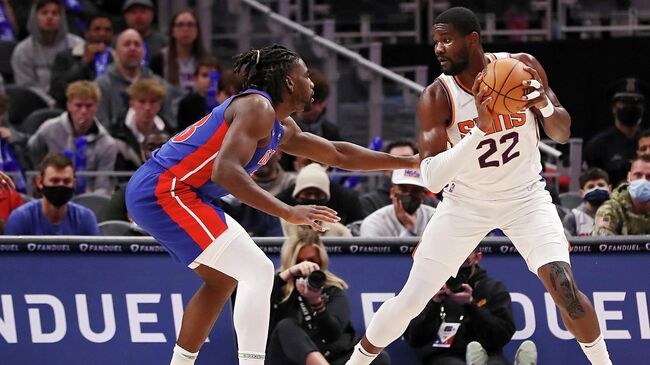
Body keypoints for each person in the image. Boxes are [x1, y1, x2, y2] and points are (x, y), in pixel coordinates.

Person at [346, 8, 612, 365]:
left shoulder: (521, 66)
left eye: (447, 40)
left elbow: (561, 134)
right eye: (436, 42)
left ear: (472, 39)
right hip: (465, 204)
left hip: (526, 198)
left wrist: (543, 105)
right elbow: (432, 178)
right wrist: (478, 130)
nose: (439, 49)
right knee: (412, 298)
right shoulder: (437, 97)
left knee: (565, 288)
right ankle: (356, 362)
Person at [124, 44, 418, 365]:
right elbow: (226, 172)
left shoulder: (281, 125)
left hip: (176, 192)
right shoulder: (257, 108)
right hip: (166, 189)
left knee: (223, 280)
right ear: (289, 82)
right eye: (306, 76)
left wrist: (407, 162)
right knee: (259, 270)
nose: (312, 84)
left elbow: (336, 153)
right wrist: (288, 211)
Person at [267, 228, 390, 365]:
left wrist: (317, 303)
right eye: (299, 262)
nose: (306, 267)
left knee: (379, 359)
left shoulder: (332, 290)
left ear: (321, 262)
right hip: (288, 360)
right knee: (286, 325)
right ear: (290, 261)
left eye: (312, 261)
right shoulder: (276, 289)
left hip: (331, 357)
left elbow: (332, 335)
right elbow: (254, 308)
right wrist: (288, 273)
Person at [403, 249, 518, 365]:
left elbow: (503, 335)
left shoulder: (493, 288)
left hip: (487, 352)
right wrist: (434, 303)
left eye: (463, 260)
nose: (457, 268)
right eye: (451, 261)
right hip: (443, 355)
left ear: (477, 258)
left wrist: (471, 305)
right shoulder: (428, 288)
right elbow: (414, 338)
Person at [27, 80, 118, 194]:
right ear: (69, 105)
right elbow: (32, 155)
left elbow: (102, 187)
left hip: (87, 200)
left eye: (89, 106)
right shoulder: (49, 129)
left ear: (96, 107)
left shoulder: (107, 143)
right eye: (78, 105)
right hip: (50, 193)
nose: (83, 111)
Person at [95, 28, 173, 130]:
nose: (132, 48)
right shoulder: (102, 85)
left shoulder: (159, 84)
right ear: (115, 52)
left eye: (137, 44)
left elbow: (170, 123)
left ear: (144, 51)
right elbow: (101, 125)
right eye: (127, 44)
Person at [4, 153, 99, 235]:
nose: (61, 185)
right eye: (55, 181)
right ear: (40, 182)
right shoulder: (21, 218)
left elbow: (94, 256)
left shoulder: (85, 218)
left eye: (66, 181)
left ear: (74, 184)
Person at [584, 77, 648, 186]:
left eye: (636, 102)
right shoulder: (598, 146)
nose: (630, 107)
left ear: (643, 107)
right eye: (625, 102)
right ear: (614, 107)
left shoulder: (647, 143)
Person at [10, 0, 83, 93]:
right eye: (44, 13)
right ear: (34, 17)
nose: (49, 17)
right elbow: (25, 88)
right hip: (36, 103)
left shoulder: (77, 45)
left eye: (55, 13)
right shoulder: (22, 51)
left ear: (62, 18)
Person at [103, 130, 170, 222]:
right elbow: (111, 230)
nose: (157, 152)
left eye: (163, 147)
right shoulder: (124, 193)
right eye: (151, 148)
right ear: (142, 154)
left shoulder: (186, 189)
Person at [50, 13, 114, 107]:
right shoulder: (65, 56)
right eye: (97, 29)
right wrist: (83, 63)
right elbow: (57, 92)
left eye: (107, 30)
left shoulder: (118, 59)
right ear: (87, 33)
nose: (102, 33)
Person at [111, 78, 170, 171]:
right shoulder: (117, 134)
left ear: (160, 104)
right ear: (131, 104)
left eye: (153, 101)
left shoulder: (170, 133)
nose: (147, 107)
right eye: (142, 101)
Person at [281, 163, 352, 238]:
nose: (312, 198)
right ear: (297, 196)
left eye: (318, 194)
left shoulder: (340, 232)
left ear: (325, 198)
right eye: (307, 193)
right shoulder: (282, 227)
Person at [360, 169, 435, 237]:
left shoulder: (434, 218)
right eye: (403, 188)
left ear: (423, 196)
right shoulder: (374, 222)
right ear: (392, 192)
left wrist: (409, 227)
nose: (408, 194)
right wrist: (409, 229)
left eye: (415, 190)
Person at [150, 9, 207, 93]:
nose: (185, 29)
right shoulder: (159, 59)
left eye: (190, 25)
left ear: (197, 31)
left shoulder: (207, 60)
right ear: (172, 31)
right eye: (180, 25)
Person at [592, 154, 650, 235]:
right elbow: (602, 245)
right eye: (638, 175)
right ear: (629, 177)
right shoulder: (609, 210)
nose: (643, 181)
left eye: (649, 177)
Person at [562, 168, 611, 236]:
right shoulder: (573, 218)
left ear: (609, 189)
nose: (596, 189)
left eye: (601, 185)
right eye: (591, 187)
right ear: (581, 193)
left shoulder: (617, 214)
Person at [122, 0, 167, 65]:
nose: (138, 16)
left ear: (153, 15)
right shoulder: (117, 43)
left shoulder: (164, 43)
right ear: (125, 16)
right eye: (133, 12)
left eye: (143, 11)